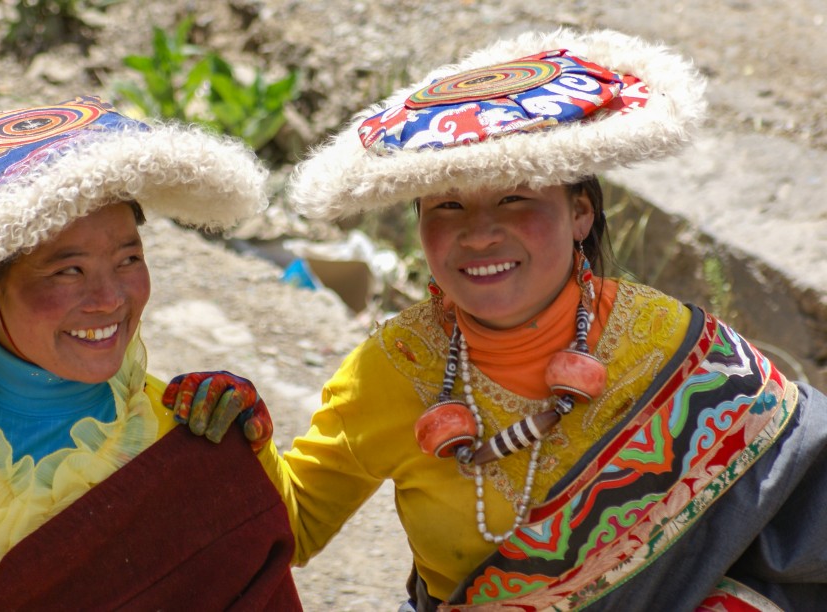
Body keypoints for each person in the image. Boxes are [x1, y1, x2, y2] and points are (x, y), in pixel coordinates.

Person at [164, 30, 827, 610]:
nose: (479, 234)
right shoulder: (393, 372)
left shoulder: (678, 348)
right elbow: (294, 526)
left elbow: (801, 511)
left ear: (581, 214)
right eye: (446, 206)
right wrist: (234, 444)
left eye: (515, 198)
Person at [0, 95, 301, 610]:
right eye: (69, 270)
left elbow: (275, 550)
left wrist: (251, 449)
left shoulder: (186, 434)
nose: (111, 299)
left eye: (128, 259)